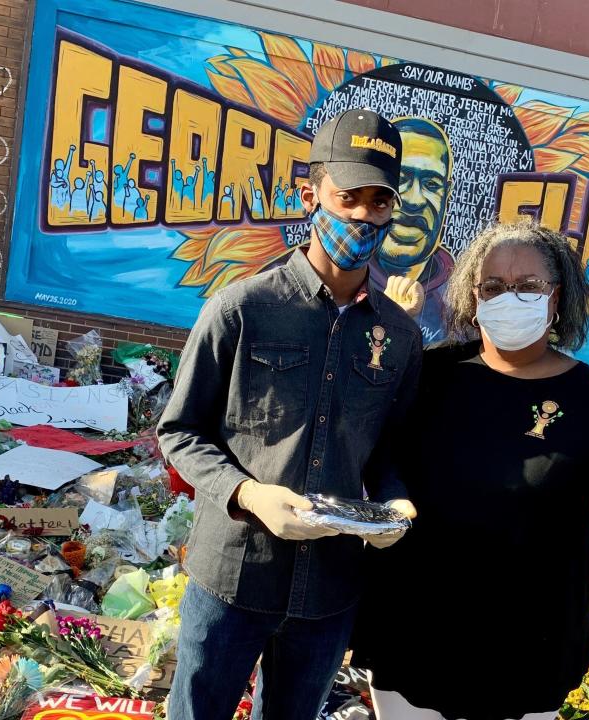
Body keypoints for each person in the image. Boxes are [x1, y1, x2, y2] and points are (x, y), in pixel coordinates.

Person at [354, 221, 589, 720]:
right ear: (472, 298)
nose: (508, 297)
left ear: (557, 297)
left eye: (529, 286)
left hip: (529, 647)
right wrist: (391, 329)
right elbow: (360, 434)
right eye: (493, 286)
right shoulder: (429, 374)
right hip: (415, 629)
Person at [157, 108, 423, 720]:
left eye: (379, 201)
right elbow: (179, 431)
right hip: (232, 575)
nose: (362, 214)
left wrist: (396, 501)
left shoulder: (399, 337)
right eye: (347, 196)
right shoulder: (242, 309)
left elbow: (390, 451)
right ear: (312, 194)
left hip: (330, 590)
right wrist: (249, 495)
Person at [370, 117, 455, 341]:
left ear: (447, 194)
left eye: (431, 184)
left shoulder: (462, 299)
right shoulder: (339, 280)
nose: (414, 200)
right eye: (401, 179)